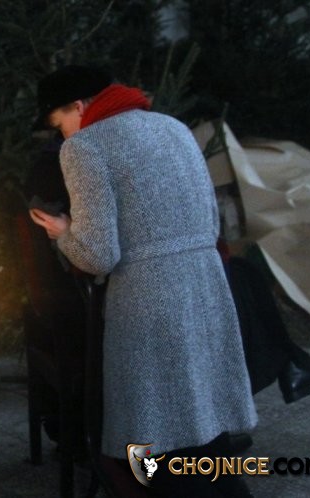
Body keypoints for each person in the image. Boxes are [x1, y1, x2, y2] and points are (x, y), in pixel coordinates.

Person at [30, 65, 257, 496]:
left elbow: (98, 255)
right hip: (206, 285)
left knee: (156, 444)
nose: (62, 135)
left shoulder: (84, 147)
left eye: (60, 124)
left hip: (149, 297)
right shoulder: (173, 128)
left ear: (78, 106)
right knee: (202, 426)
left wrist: (63, 234)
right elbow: (210, 220)